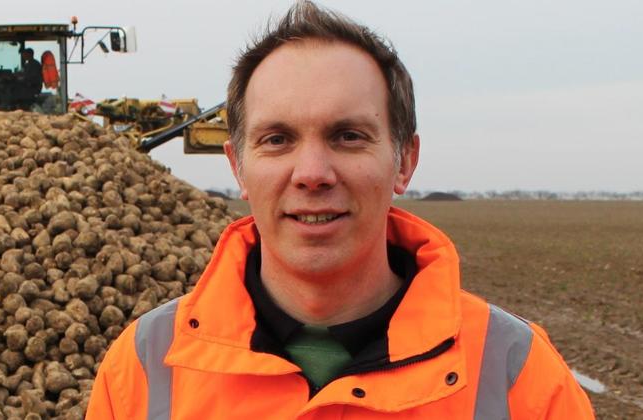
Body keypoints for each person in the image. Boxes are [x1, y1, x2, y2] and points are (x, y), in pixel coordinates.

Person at [87, 2, 595, 419]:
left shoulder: (516, 376)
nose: (312, 172)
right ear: (238, 166)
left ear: (405, 161)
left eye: (348, 136)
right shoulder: (144, 367)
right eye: (278, 139)